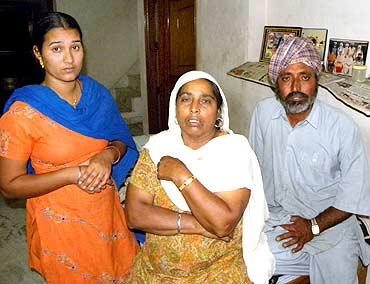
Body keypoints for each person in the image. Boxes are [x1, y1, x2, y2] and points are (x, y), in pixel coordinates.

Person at [0, 12, 139, 283]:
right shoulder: (22, 113)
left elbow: (121, 138)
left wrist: (107, 155)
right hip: (62, 224)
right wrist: (72, 174)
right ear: (38, 53)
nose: (69, 58)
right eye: (56, 49)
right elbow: (9, 185)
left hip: (106, 213)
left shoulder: (97, 94)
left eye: (75, 46)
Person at [124, 71, 275, 283]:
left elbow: (222, 223)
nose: (194, 108)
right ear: (175, 110)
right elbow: (134, 214)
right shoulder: (159, 148)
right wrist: (198, 225)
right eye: (186, 99)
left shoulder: (235, 151)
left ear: (218, 112)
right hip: (153, 274)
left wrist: (180, 174)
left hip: (217, 273)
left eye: (205, 100)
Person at [249, 36, 370, 284]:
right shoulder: (263, 114)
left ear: (316, 81)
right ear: (276, 84)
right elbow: (254, 172)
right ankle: (292, 272)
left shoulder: (342, 128)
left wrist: (313, 226)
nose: (295, 87)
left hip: (330, 230)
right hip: (280, 220)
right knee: (245, 260)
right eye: (286, 77)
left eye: (305, 77)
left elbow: (353, 197)